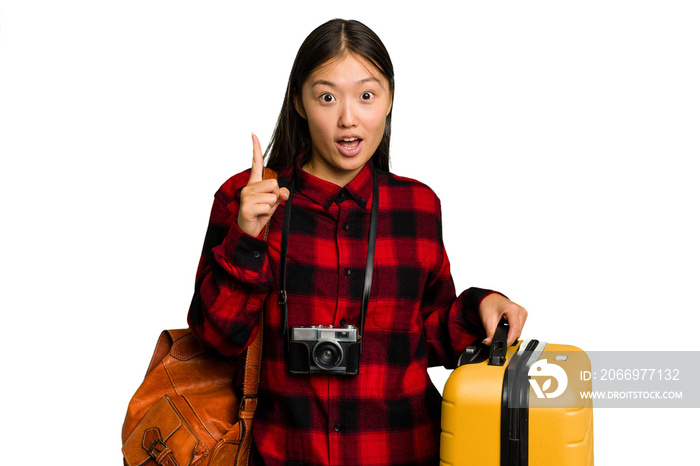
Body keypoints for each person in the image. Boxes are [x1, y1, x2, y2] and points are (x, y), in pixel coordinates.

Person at [188, 18, 527, 466]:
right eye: (327, 97)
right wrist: (248, 237)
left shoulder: (418, 206)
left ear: (388, 100)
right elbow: (216, 340)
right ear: (299, 103)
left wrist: (482, 306)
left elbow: (425, 336)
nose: (348, 118)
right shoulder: (249, 198)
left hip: (401, 451)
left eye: (367, 95)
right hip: (285, 453)